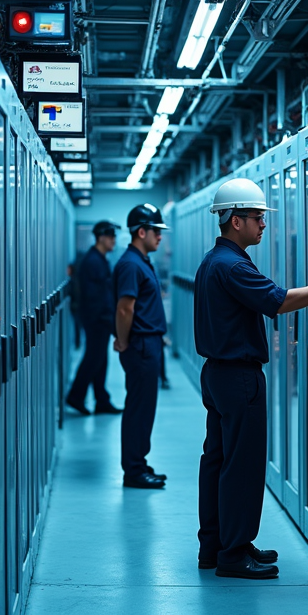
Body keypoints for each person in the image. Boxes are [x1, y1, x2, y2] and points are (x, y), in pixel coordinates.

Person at [194, 178, 308, 580]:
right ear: (235, 220)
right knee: (242, 466)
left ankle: (216, 546)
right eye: (257, 217)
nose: (263, 224)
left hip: (218, 375)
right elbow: (281, 301)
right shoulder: (232, 265)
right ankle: (233, 554)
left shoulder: (213, 260)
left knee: (218, 461)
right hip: (239, 379)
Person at [113, 203, 170, 489]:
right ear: (141, 231)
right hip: (141, 346)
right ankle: (133, 470)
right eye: (156, 231)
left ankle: (139, 462)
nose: (160, 237)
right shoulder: (131, 264)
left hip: (149, 345)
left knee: (144, 408)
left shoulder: (140, 260)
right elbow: (125, 309)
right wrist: (123, 341)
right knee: (139, 409)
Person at [66, 220, 123, 416]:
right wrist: (107, 318)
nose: (114, 241)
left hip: (99, 318)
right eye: (111, 237)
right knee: (93, 358)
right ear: (101, 237)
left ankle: (101, 400)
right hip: (96, 319)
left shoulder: (99, 259)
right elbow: (95, 296)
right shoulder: (93, 261)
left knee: (100, 359)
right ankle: (75, 396)